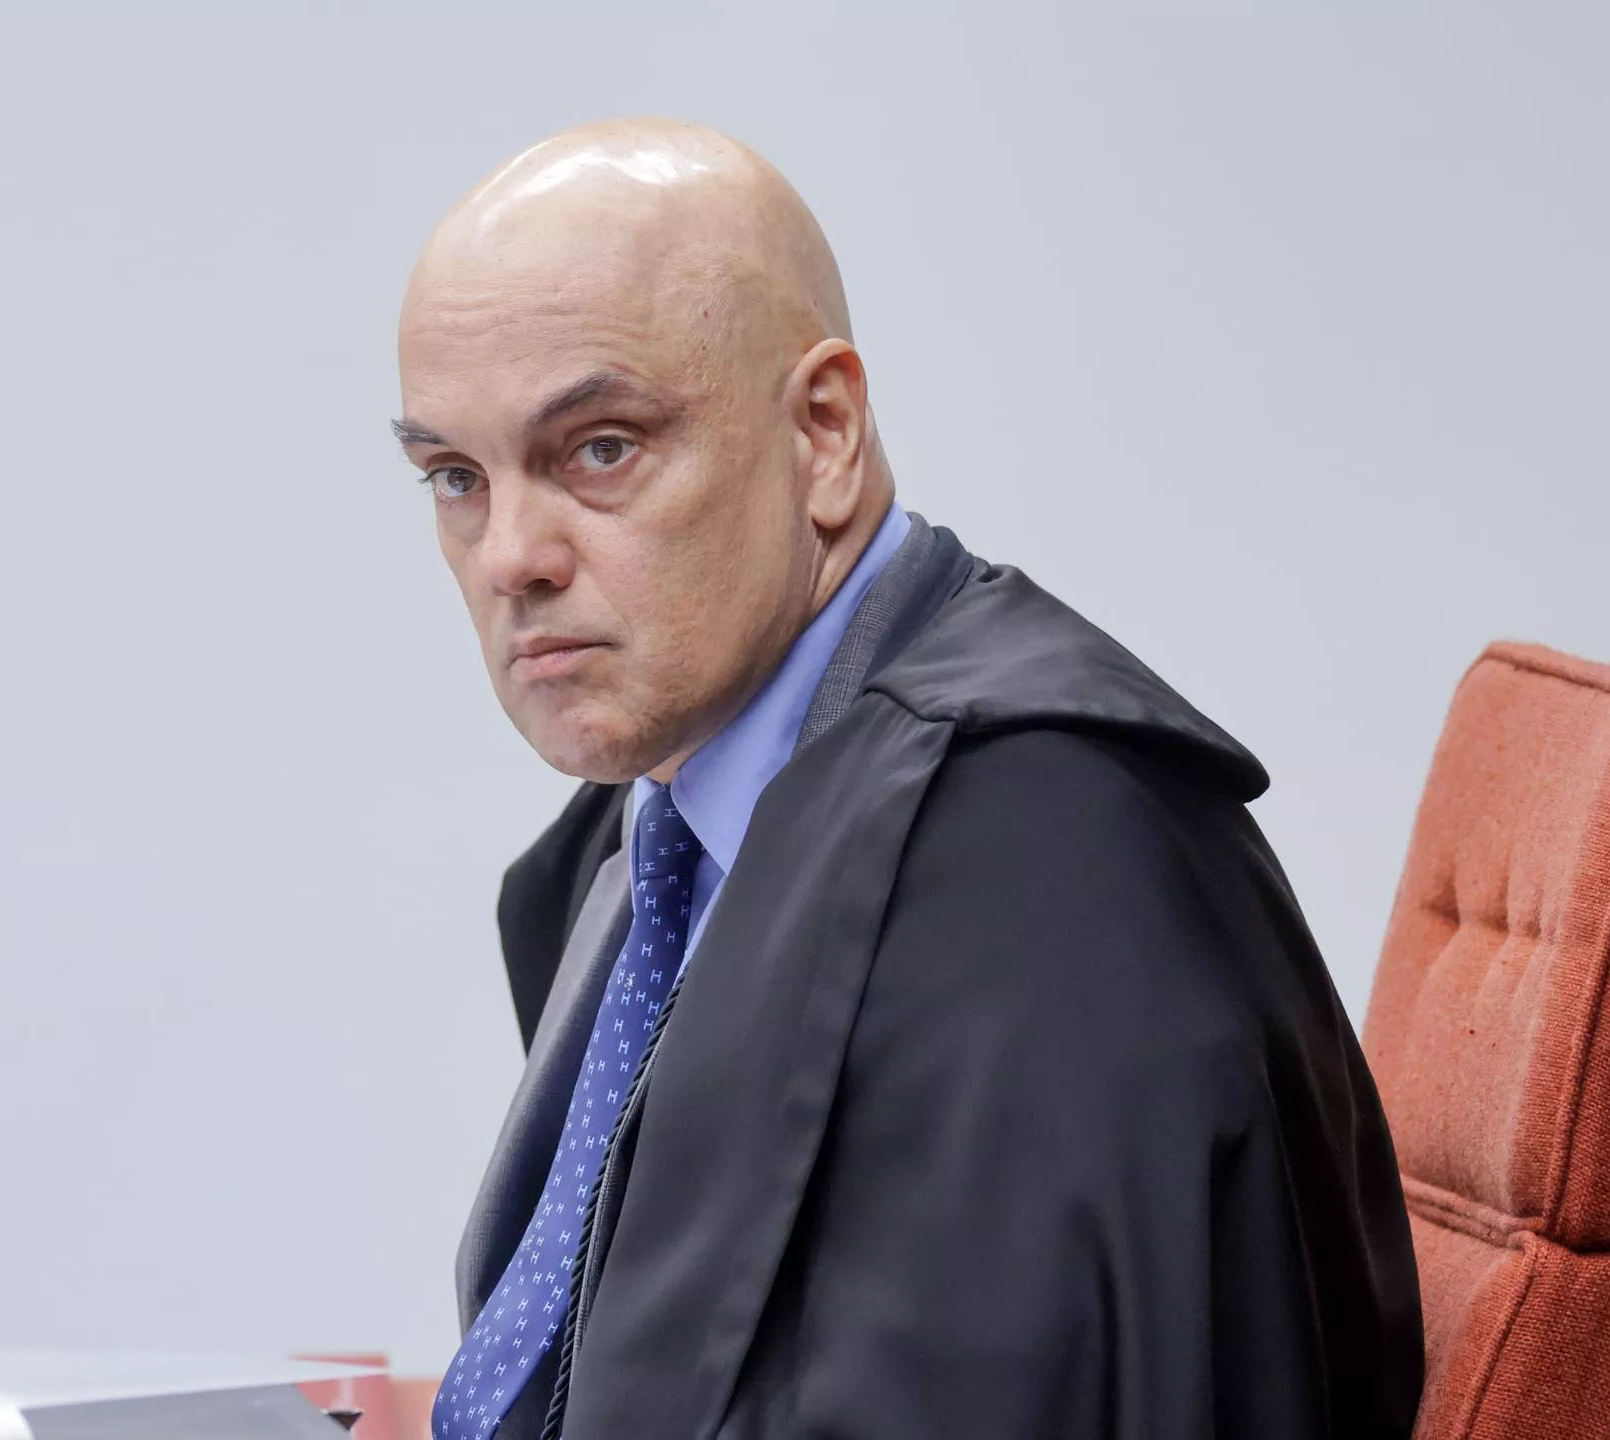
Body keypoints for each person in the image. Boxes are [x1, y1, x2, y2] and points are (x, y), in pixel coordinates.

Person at [394, 119, 1425, 1439]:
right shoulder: (659, 837)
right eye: (455, 478)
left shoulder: (1037, 861)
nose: (509, 557)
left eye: (600, 448)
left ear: (824, 432)